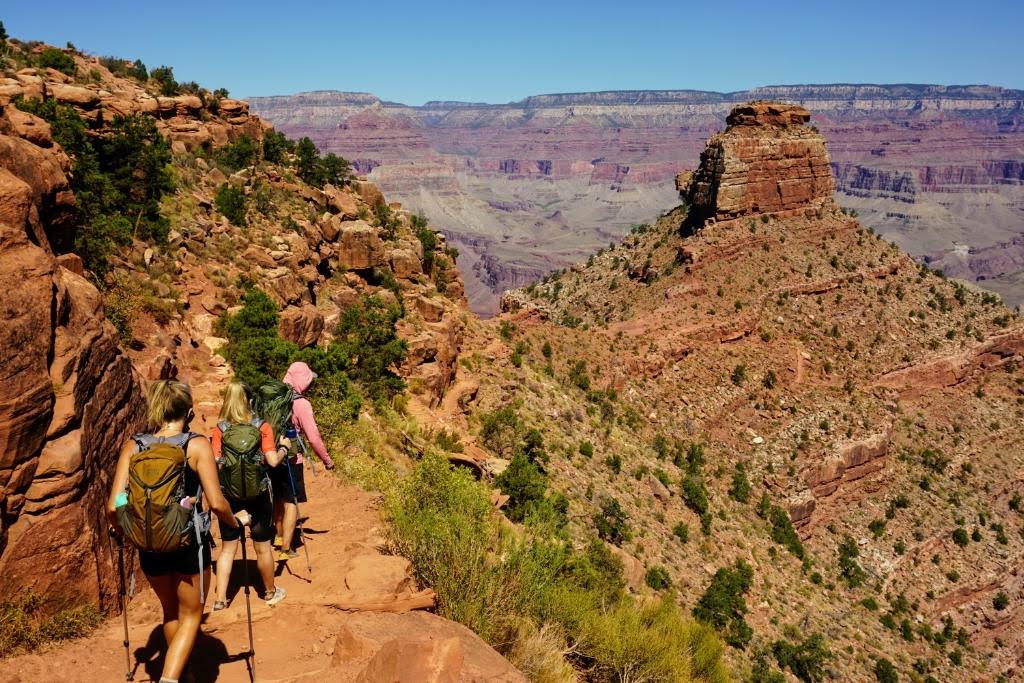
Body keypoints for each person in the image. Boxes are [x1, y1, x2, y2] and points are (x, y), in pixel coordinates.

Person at [106, 381, 245, 683]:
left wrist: (123, 531)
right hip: (187, 544)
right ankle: (170, 679)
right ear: (190, 412)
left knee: (170, 612)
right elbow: (218, 503)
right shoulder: (195, 445)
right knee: (192, 614)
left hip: (149, 545)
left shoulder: (135, 446)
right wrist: (236, 524)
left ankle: (186, 675)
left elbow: (114, 504)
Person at [211, 382, 289, 609]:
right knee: (262, 547)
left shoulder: (221, 430)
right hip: (259, 495)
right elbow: (273, 461)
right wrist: (284, 447)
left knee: (227, 548)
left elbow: (216, 464)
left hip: (229, 496)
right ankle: (269, 592)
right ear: (249, 401)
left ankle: (219, 600)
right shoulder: (261, 426)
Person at [272, 362, 335, 561]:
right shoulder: (301, 404)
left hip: (271, 455)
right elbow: (313, 437)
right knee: (292, 501)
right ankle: (287, 549)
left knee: (278, 498)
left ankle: (279, 536)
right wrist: (327, 460)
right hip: (292, 459)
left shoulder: (273, 396)